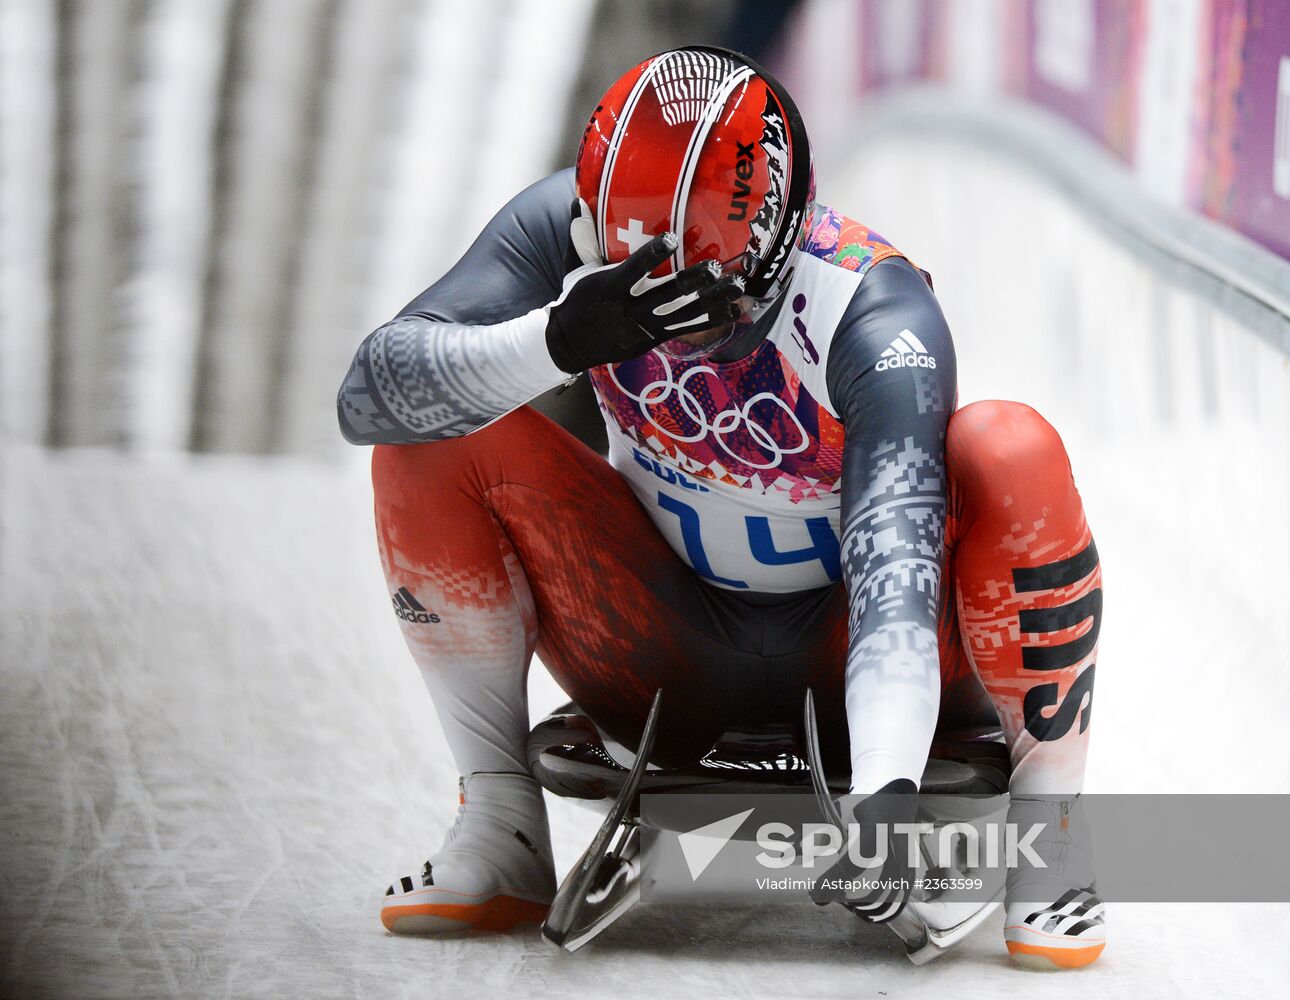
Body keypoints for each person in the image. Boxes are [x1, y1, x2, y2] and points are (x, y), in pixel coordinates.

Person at [337, 46, 1105, 969]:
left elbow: (896, 569)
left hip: (850, 642)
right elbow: (371, 395)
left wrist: (889, 782)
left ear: (776, 248)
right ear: (596, 230)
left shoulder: (877, 312)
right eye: (646, 296)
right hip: (657, 639)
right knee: (434, 432)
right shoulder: (562, 227)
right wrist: (556, 340)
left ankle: (1050, 836)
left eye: (705, 301)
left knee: (1009, 446)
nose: (684, 333)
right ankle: (500, 818)